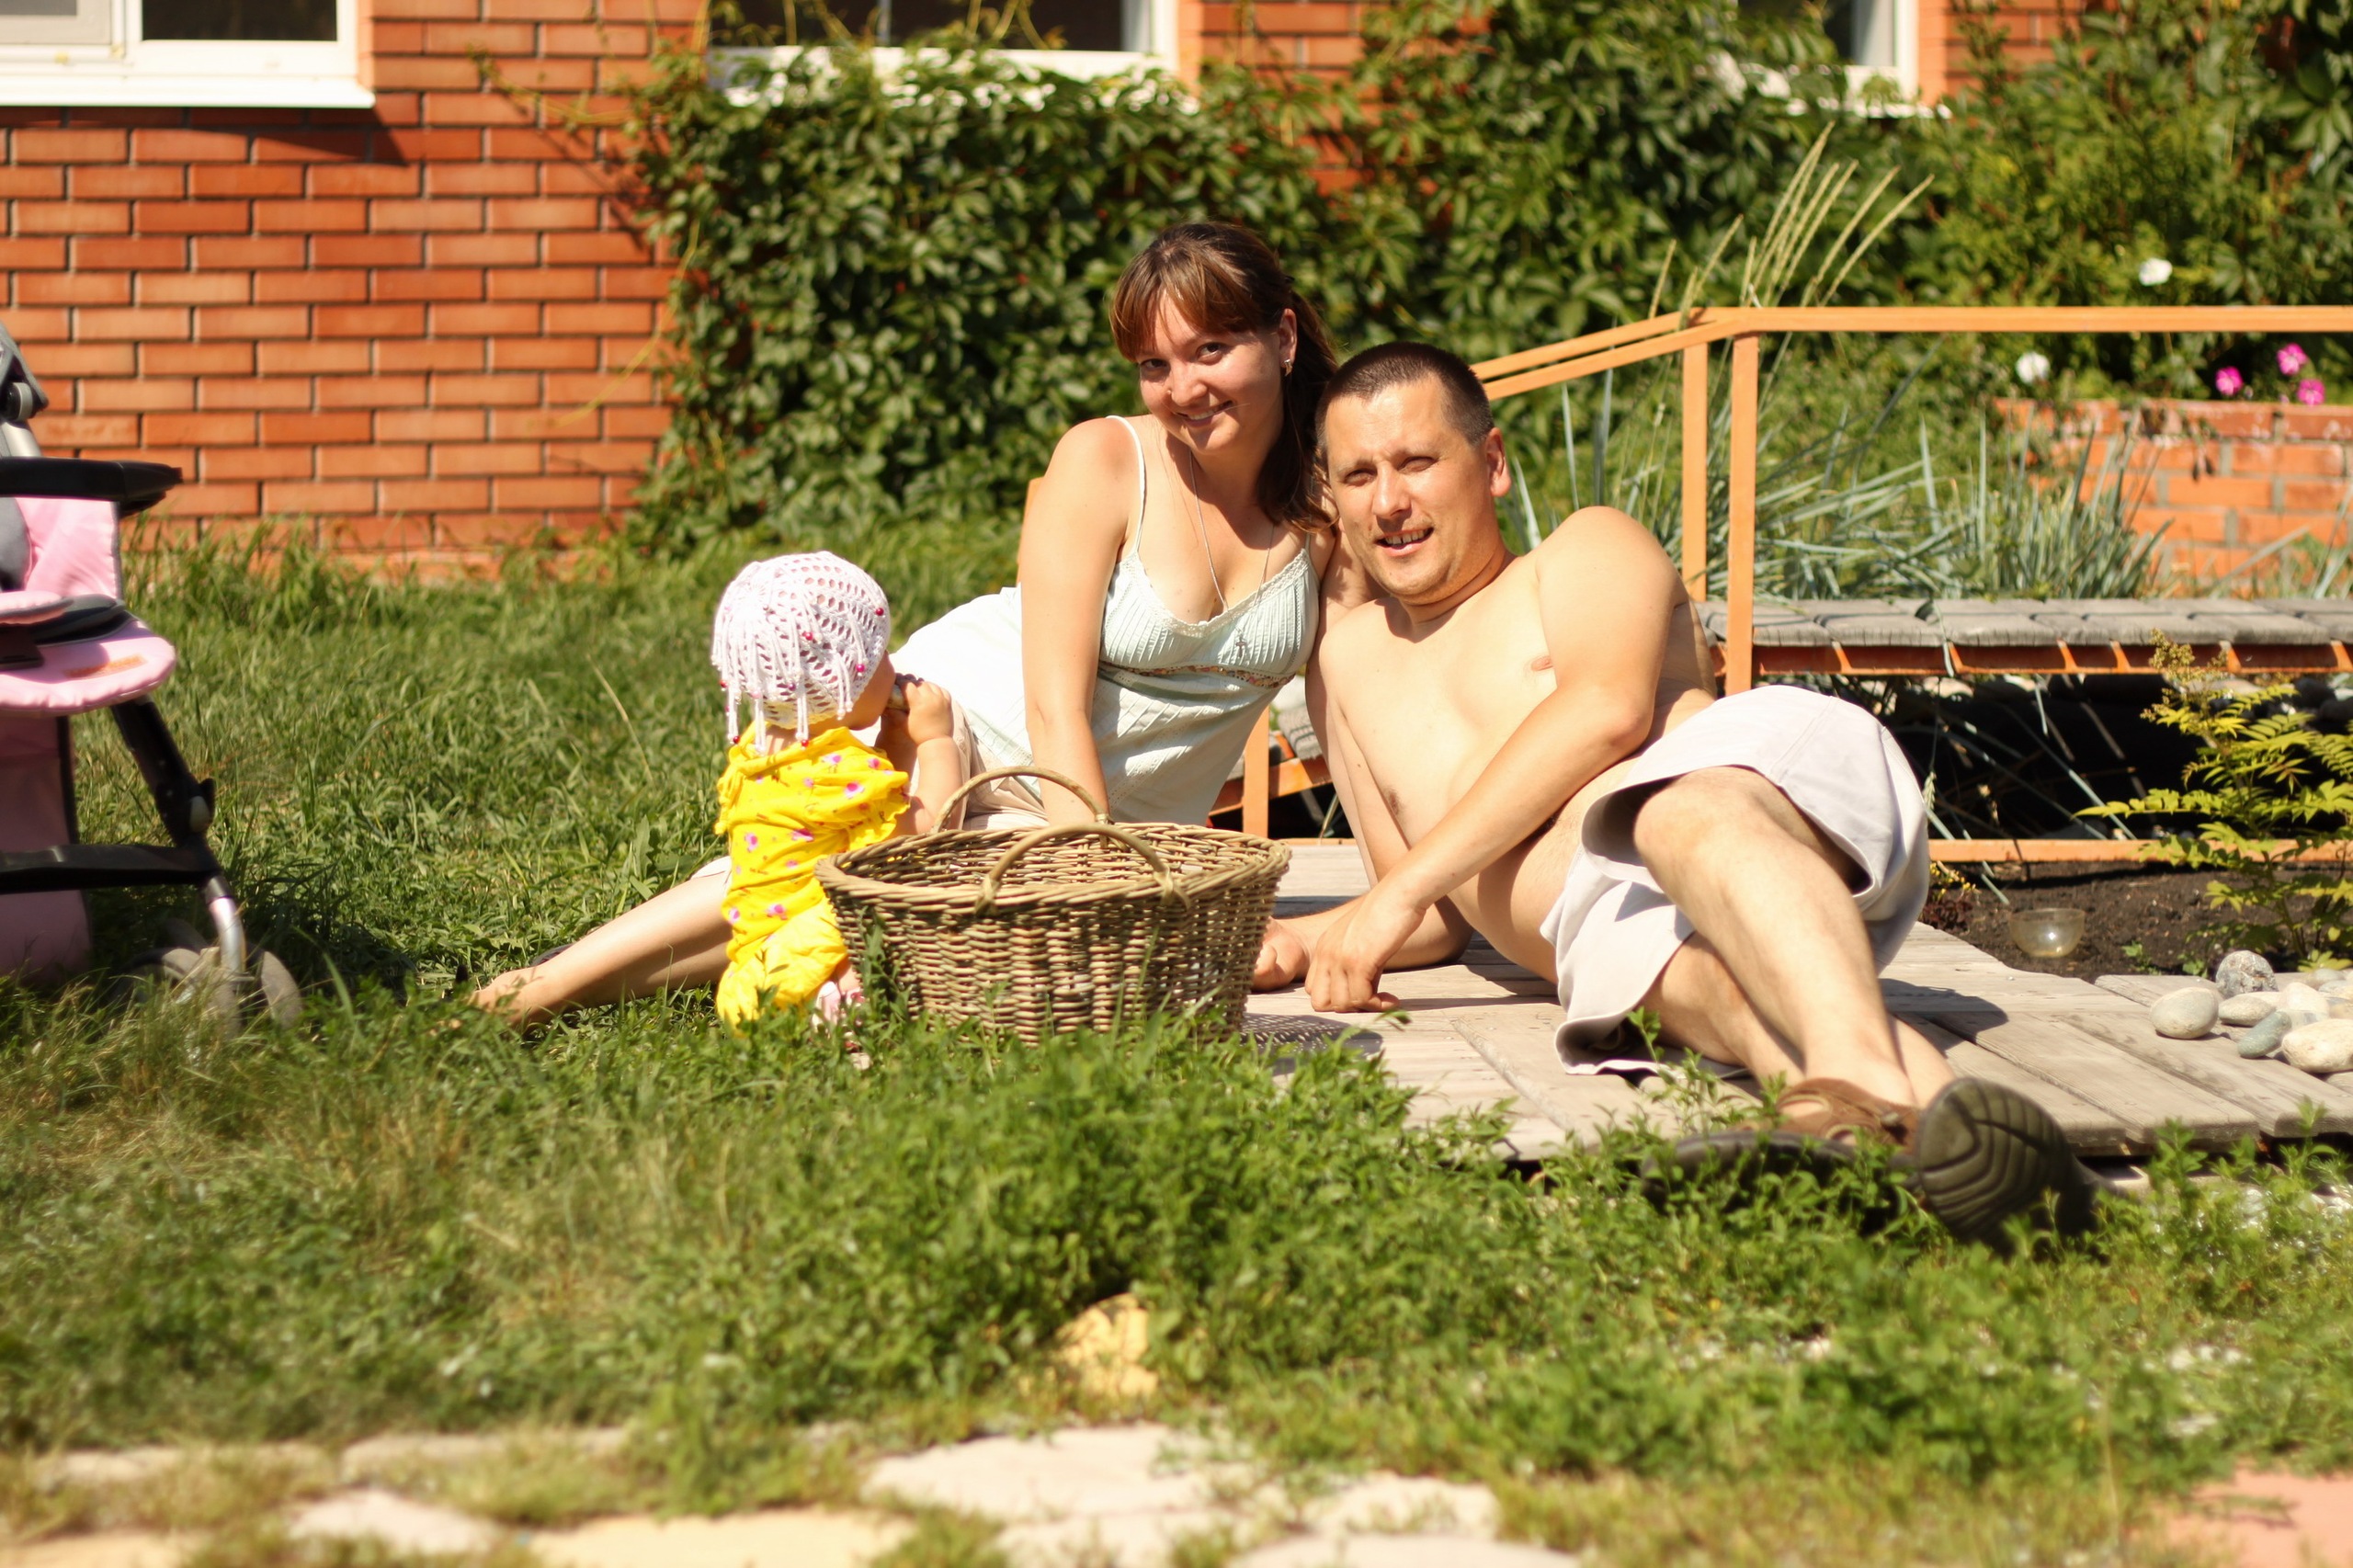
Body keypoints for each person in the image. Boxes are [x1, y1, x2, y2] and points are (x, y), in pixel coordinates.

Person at [1253, 341, 2104, 1245]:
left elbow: (1608, 710)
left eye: (1416, 462)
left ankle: (1848, 1098)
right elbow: (1427, 913)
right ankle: (1983, 1174)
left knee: (1672, 814)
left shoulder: (1583, 549)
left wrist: (1396, 896)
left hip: (1747, 791)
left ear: (1491, 462)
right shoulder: (1347, 665)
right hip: (1601, 935)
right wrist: (1299, 939)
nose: (1388, 501)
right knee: (1733, 997)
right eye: (1359, 475)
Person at [473, 222, 1362, 1026]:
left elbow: (1352, 717)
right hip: (965, 724)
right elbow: (1053, 708)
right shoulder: (1106, 458)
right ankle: (530, 992)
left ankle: (573, 989)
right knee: (842, 866)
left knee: (899, 913)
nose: (1183, 388)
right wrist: (1095, 875)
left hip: (1105, 823)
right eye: (1154, 365)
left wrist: (1387, 890)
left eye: (1211, 350)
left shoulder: (1329, 510)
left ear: (1283, 339)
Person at [703, 552, 962, 1028]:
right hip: (817, 963)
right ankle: (844, 1018)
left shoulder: (759, 753)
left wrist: (897, 742)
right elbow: (926, 836)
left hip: (762, 963)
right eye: (881, 657)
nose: (893, 666)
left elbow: (869, 823)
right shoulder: (837, 772)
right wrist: (937, 740)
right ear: (844, 679)